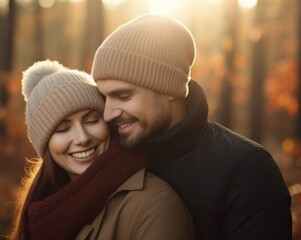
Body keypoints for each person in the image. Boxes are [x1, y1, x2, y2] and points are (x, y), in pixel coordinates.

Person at [91, 14, 292, 240]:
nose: (108, 114)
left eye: (124, 95)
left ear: (169, 89)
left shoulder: (247, 170)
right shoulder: (106, 157)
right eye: (104, 97)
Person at [8, 60, 195, 240]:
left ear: (108, 123)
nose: (82, 138)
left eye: (92, 121)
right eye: (63, 129)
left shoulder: (155, 204)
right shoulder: (38, 211)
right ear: (45, 144)